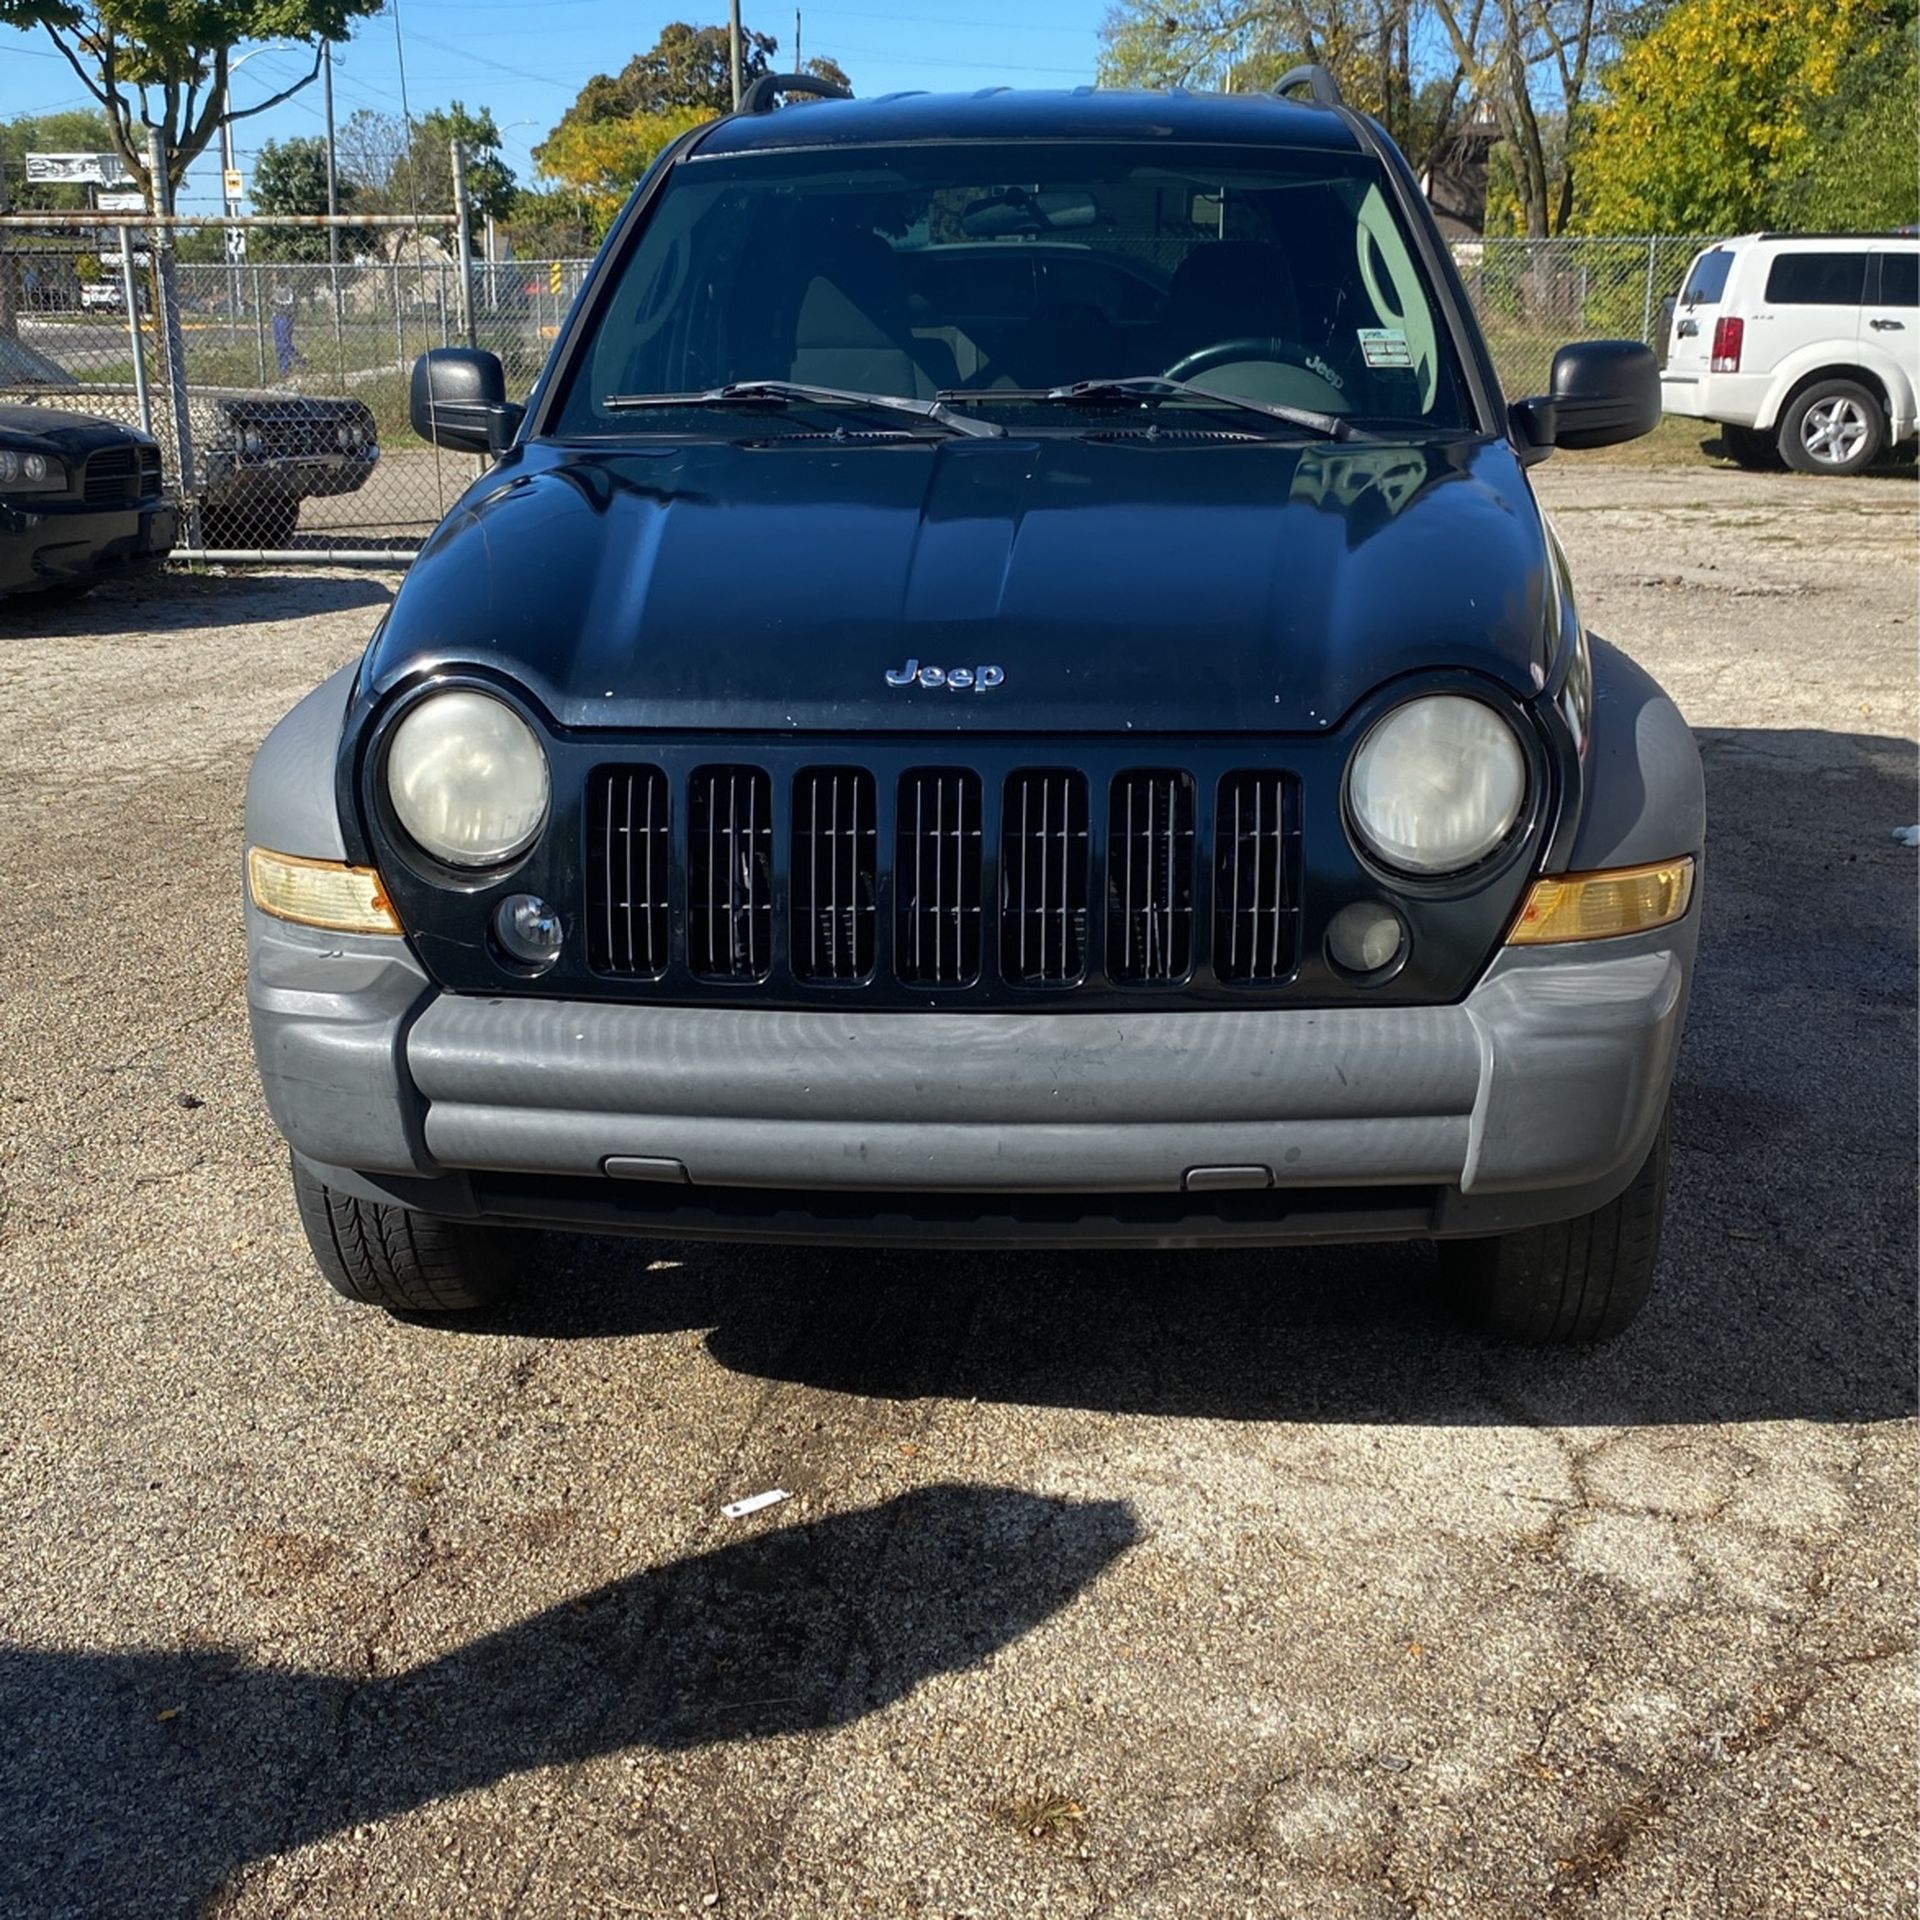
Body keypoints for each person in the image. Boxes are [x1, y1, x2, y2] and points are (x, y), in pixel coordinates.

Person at [270, 284, 306, 376]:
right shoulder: (275, 287)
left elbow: (289, 302)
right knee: (279, 344)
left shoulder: (288, 288)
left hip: (286, 316)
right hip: (276, 316)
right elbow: (271, 301)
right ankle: (284, 368)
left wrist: (275, 302)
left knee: (285, 342)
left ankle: (299, 360)